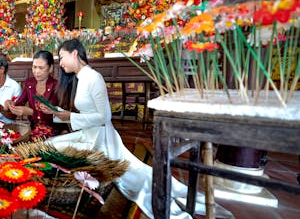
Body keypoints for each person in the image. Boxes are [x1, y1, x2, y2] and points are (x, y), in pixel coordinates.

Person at [40, 39, 232, 219]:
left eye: (62, 57)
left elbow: (104, 117)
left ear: (74, 54)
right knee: (49, 145)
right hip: (87, 133)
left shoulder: (93, 78)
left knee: (130, 179)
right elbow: (86, 113)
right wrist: (57, 113)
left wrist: (69, 116)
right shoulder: (81, 78)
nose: (61, 63)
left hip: (100, 139)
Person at [4, 50, 67, 139]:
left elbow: (58, 115)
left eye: (41, 68)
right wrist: (10, 104)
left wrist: (31, 112)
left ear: (51, 68)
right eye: (34, 67)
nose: (36, 71)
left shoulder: (57, 86)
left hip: (55, 130)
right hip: (34, 129)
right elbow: (19, 104)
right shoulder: (30, 83)